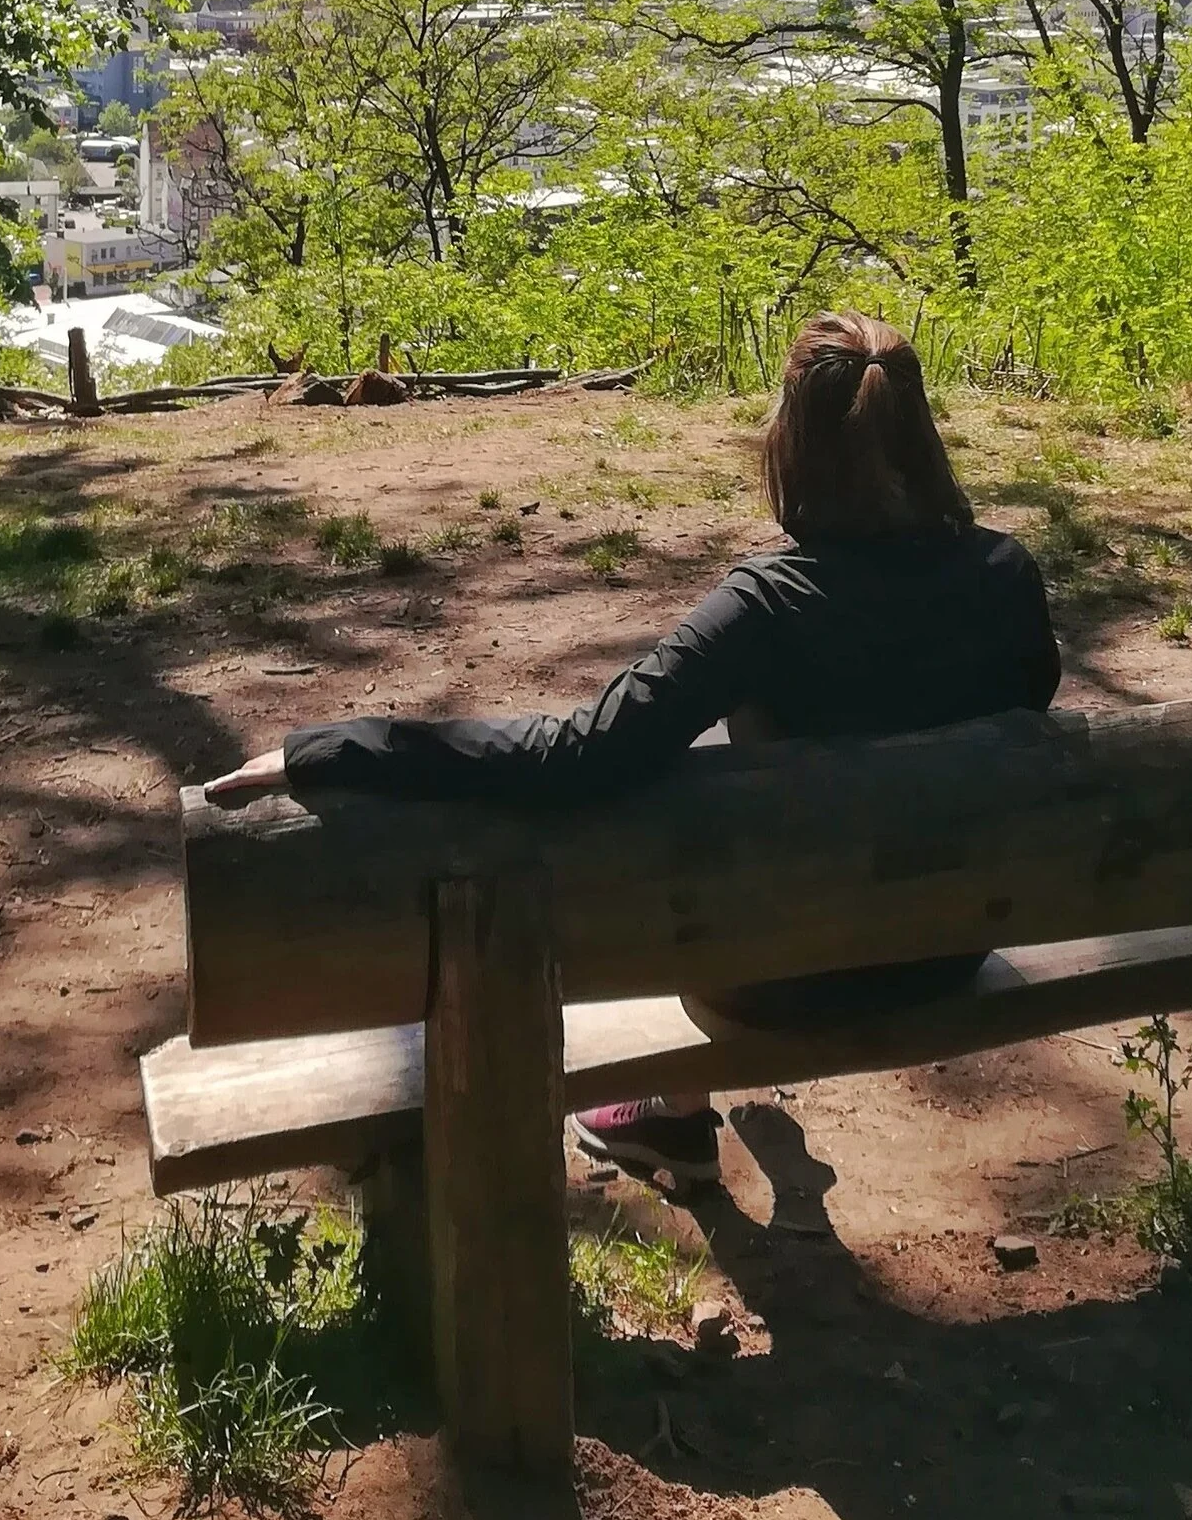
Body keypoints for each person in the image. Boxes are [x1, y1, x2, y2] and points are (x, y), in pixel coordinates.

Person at [201, 311, 1062, 1190]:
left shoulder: (766, 605)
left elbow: (582, 753)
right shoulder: (1008, 575)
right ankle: (674, 1117)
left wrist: (340, 744)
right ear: (922, 437)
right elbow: (1027, 703)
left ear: (791, 444)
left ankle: (675, 1118)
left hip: (788, 980)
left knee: (687, 853)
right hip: (953, 947)